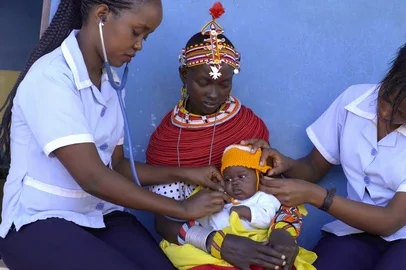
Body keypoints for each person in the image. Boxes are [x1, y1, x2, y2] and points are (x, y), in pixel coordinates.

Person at [0, 1, 231, 269]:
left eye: (146, 36)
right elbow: (93, 177)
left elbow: (118, 165)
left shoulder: (110, 82)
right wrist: (181, 209)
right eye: (136, 32)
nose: (140, 44)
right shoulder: (51, 78)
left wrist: (186, 173)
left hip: (100, 215)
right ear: (102, 15)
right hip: (39, 222)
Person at [243, 35, 406, 270]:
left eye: (404, 113)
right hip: (354, 231)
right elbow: (312, 167)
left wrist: (315, 195)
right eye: (386, 97)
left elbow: (390, 221)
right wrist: (285, 163)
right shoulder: (353, 101)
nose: (385, 113)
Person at [147, 2, 303, 269]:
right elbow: (164, 222)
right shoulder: (167, 142)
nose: (214, 94)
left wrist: (284, 237)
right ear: (184, 75)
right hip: (200, 244)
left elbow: (277, 196)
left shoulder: (249, 128)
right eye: (204, 82)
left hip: (259, 240)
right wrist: (217, 243)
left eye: (224, 83)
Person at [160, 144, 317, 270]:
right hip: (219, 247)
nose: (234, 183)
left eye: (242, 177)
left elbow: (269, 214)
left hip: (257, 243)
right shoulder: (220, 198)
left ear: (258, 178)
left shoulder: (263, 197)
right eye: (228, 179)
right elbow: (204, 221)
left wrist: (248, 212)